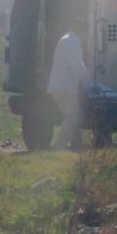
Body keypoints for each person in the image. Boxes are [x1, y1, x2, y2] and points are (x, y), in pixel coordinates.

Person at [47, 20, 92, 151]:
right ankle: (59, 146)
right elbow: (78, 66)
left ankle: (76, 146)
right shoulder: (71, 43)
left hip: (60, 86)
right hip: (64, 87)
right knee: (75, 115)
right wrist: (90, 85)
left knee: (71, 118)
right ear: (82, 32)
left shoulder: (67, 41)